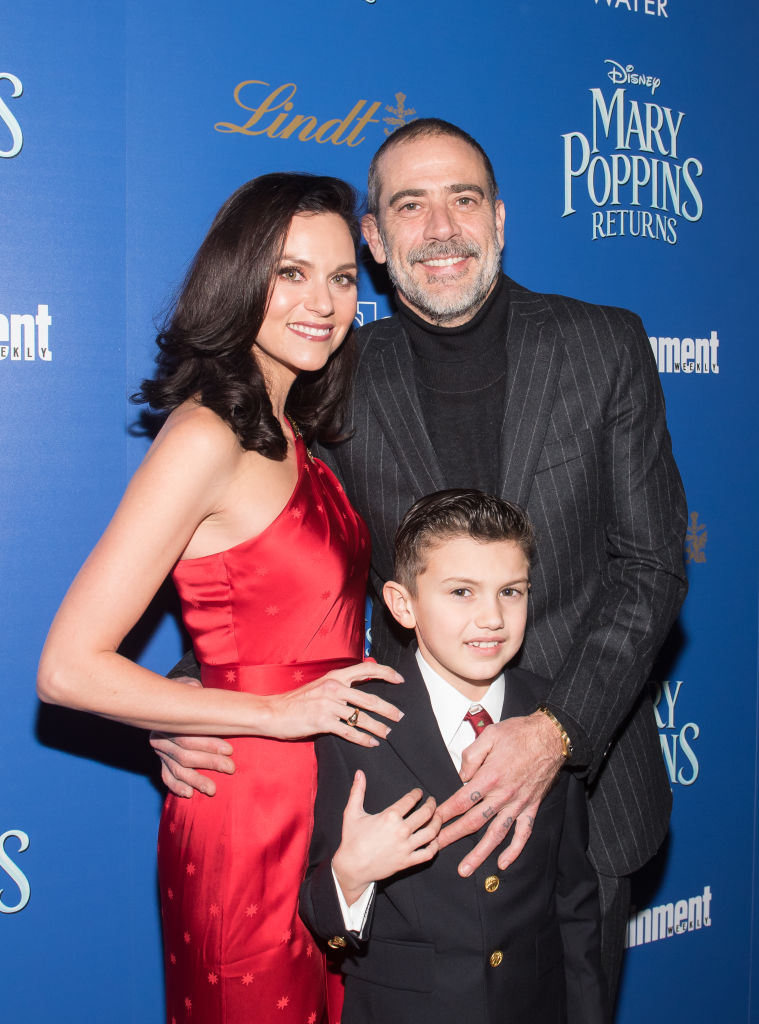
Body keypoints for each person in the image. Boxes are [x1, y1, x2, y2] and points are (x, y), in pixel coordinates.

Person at [154, 119, 689, 1006]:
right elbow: (292, 557)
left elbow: (650, 565)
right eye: (410, 206)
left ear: (499, 218)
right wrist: (192, 696)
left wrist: (555, 733)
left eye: (462, 199)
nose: (441, 228)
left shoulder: (602, 345)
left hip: (584, 802)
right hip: (408, 810)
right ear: (373, 239)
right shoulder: (337, 373)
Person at [37, 172, 405, 1024]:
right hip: (245, 812)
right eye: (290, 274)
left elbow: (262, 618)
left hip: (328, 804)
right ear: (240, 279)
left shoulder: (295, 433)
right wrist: (273, 711)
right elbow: (67, 668)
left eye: (341, 277)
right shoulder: (204, 436)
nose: (322, 302)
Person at [300, 490, 609, 1024]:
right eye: (462, 592)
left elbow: (574, 899)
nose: (492, 617)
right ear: (403, 605)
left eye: (510, 592)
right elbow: (321, 917)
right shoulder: (357, 724)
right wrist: (352, 873)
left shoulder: (551, 718)